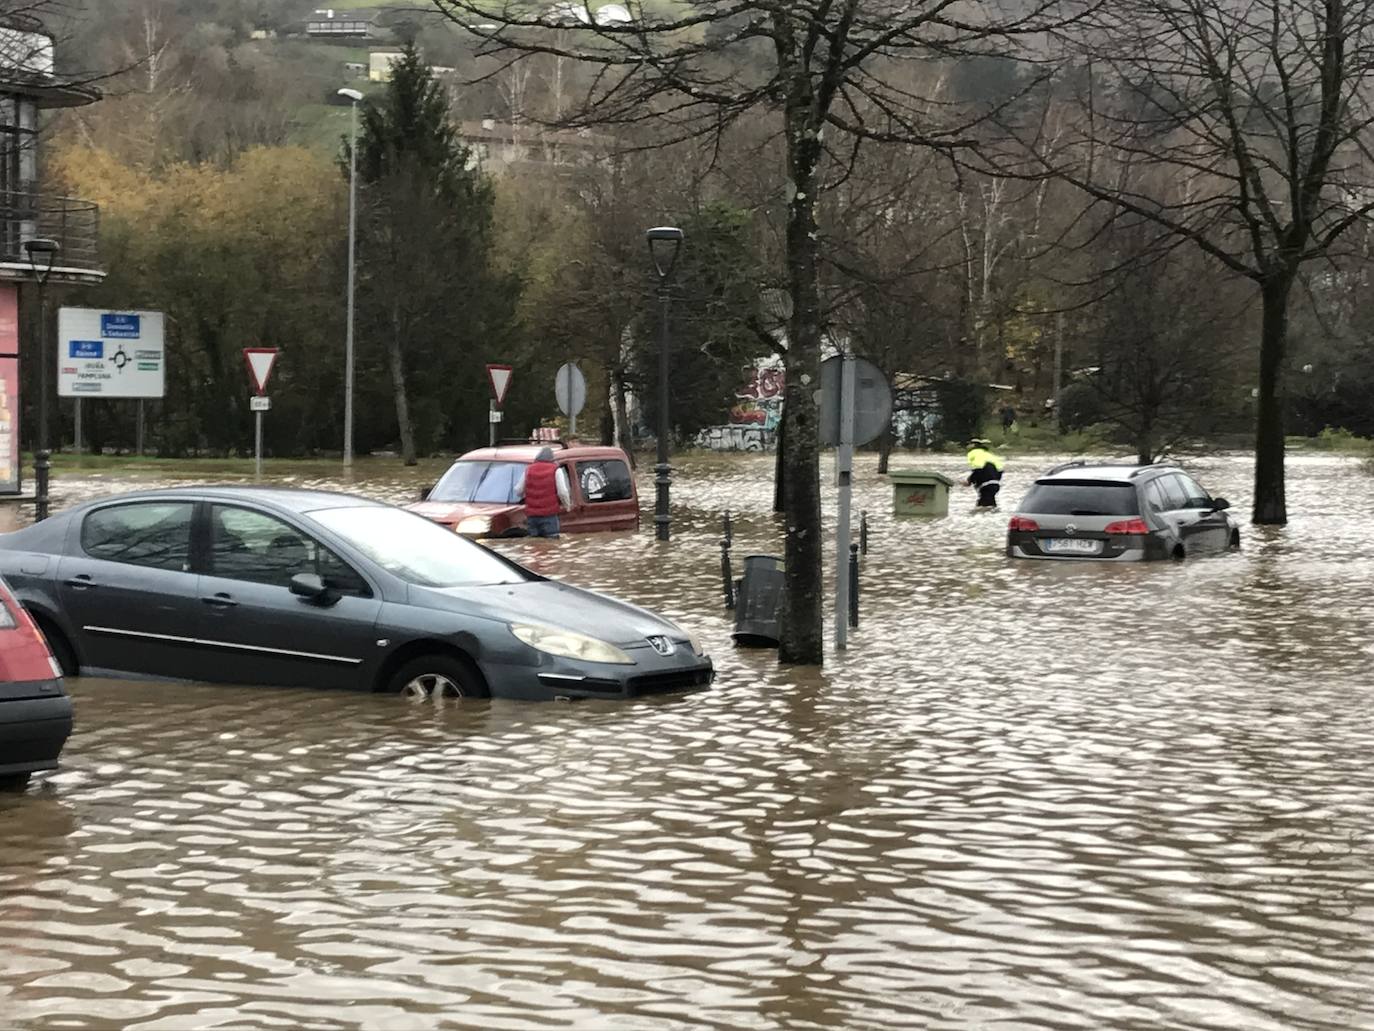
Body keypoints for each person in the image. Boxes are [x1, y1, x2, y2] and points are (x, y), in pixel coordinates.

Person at [522, 447, 572, 538]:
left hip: (531, 517)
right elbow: (562, 492)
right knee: (552, 542)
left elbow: (518, 490)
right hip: (549, 516)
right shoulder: (556, 470)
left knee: (533, 543)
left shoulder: (529, 469)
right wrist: (567, 506)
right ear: (552, 458)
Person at [965, 437, 1006, 509]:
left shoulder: (974, 453)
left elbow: (978, 470)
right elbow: (1000, 471)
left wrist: (970, 481)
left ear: (973, 445)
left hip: (986, 486)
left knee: (982, 507)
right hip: (995, 485)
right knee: (991, 506)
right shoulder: (989, 455)